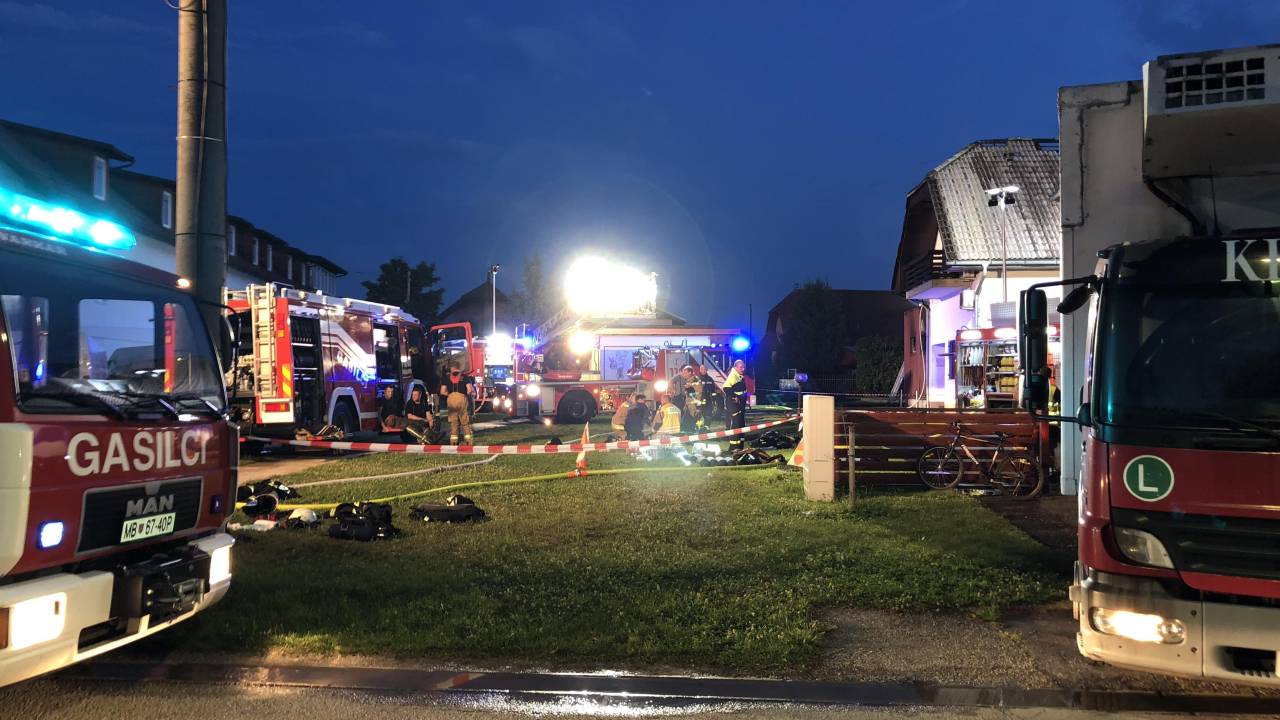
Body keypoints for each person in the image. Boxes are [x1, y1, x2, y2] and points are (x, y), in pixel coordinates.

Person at [439, 366, 474, 445]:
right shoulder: (465, 377)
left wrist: (449, 395)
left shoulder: (447, 378)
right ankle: (468, 441)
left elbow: (442, 391)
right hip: (462, 399)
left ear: (451, 369)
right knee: (465, 421)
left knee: (454, 422)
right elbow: (469, 390)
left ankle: (454, 442)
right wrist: (466, 395)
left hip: (451, 400)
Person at [722, 359, 749, 446]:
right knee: (736, 423)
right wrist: (734, 397)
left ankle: (740, 442)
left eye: (744, 367)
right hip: (734, 405)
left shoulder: (738, 375)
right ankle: (733, 445)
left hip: (740, 404)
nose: (743, 369)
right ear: (735, 367)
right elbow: (725, 387)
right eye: (741, 367)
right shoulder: (733, 375)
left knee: (741, 422)